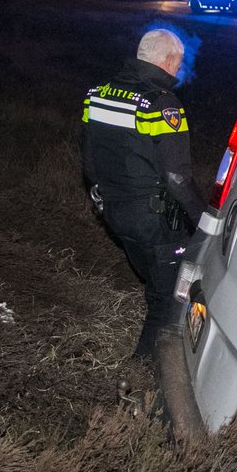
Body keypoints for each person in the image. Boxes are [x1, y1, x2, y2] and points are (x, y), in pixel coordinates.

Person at [81, 27, 205, 359]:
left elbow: (89, 160)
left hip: (114, 211)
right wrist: (205, 222)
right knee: (169, 299)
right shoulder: (161, 103)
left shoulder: (98, 94)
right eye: (178, 64)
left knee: (155, 283)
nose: (179, 72)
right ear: (167, 60)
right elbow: (177, 177)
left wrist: (107, 197)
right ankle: (143, 369)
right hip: (154, 219)